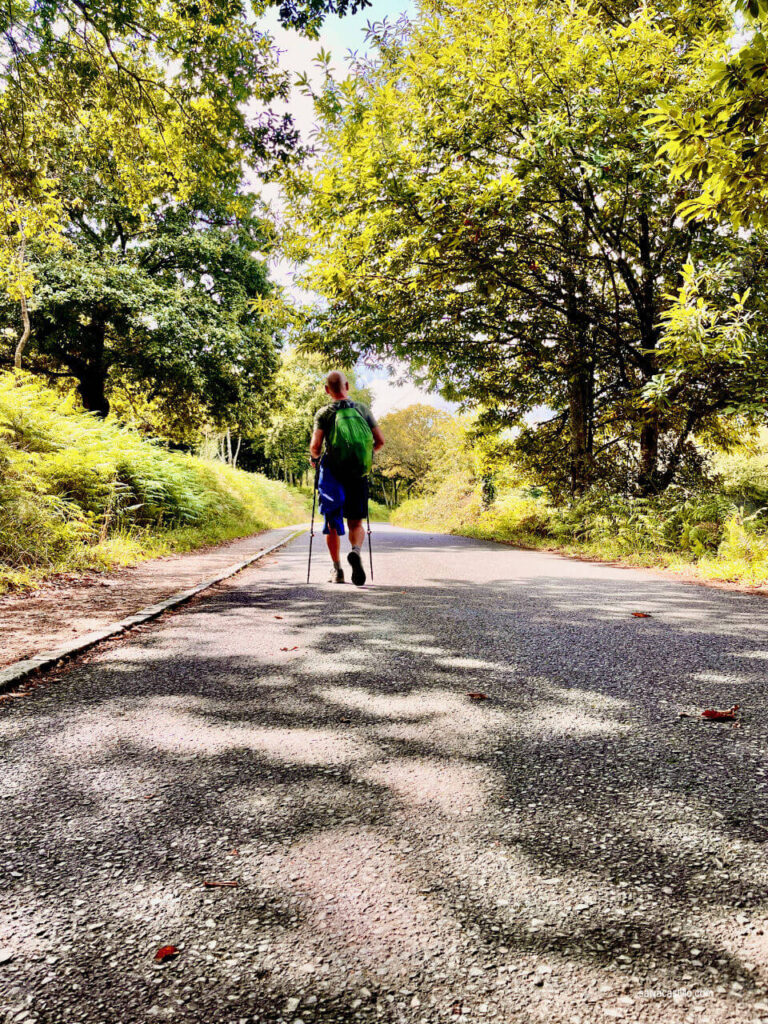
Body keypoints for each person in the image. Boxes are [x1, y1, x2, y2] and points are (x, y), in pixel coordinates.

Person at [309, 370, 385, 585]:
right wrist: (364, 458)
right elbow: (379, 441)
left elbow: (315, 446)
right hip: (358, 474)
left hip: (333, 475)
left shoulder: (323, 413)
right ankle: (356, 551)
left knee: (332, 524)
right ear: (347, 387)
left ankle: (337, 570)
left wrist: (315, 458)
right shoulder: (362, 409)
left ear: (327, 390)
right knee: (356, 522)